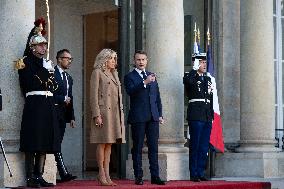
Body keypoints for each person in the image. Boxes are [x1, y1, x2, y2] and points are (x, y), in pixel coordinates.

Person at [16, 18, 61, 188]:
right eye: (41, 45)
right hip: (34, 104)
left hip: (47, 103)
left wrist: (47, 70)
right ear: (33, 47)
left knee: (44, 141)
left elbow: (55, 86)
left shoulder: (46, 63)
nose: (44, 48)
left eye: (45, 45)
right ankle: (29, 177)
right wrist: (45, 70)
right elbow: (30, 82)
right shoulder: (25, 62)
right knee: (32, 141)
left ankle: (39, 175)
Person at [124, 50, 165, 185]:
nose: (141, 62)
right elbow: (130, 91)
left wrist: (160, 114)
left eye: (143, 59)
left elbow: (157, 97)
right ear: (134, 61)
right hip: (138, 117)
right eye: (138, 60)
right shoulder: (129, 76)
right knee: (138, 147)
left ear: (147, 60)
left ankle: (155, 176)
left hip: (153, 117)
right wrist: (144, 82)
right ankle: (139, 176)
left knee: (154, 147)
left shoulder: (152, 76)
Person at [89, 48, 125, 186]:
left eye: (115, 59)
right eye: (111, 58)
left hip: (114, 114)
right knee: (102, 142)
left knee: (109, 143)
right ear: (104, 59)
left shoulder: (114, 74)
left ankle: (107, 174)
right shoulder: (97, 73)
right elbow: (93, 96)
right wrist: (96, 115)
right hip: (103, 114)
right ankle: (101, 173)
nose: (114, 61)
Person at [183, 53, 214, 182]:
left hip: (206, 115)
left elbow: (210, 98)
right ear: (196, 64)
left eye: (205, 62)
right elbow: (188, 83)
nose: (204, 65)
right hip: (196, 114)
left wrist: (211, 115)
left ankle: (201, 172)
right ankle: (193, 173)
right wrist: (194, 70)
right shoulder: (189, 76)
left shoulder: (208, 79)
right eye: (201, 62)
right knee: (195, 145)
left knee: (203, 146)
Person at [53, 49, 77, 182]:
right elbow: (49, 94)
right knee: (55, 143)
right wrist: (62, 98)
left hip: (63, 115)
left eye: (70, 59)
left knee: (58, 143)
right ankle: (63, 173)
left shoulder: (69, 78)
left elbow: (70, 98)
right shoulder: (52, 74)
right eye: (67, 58)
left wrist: (72, 117)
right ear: (59, 59)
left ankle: (61, 173)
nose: (69, 61)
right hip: (52, 114)